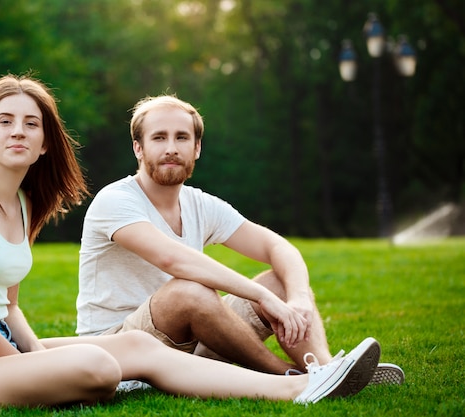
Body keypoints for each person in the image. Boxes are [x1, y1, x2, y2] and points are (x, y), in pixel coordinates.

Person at [0, 75, 381, 409]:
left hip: (3, 340)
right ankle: (300, 380)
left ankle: (305, 385)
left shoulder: (24, 204)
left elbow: (8, 306)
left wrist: (32, 356)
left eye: (31, 124)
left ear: (46, 143)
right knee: (101, 362)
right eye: (6, 122)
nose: (19, 132)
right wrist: (23, 366)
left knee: (142, 347)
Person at [76, 94, 404, 386]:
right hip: (118, 351)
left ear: (197, 148)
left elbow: (277, 247)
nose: (171, 148)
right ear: (138, 147)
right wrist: (262, 297)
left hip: (186, 346)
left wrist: (298, 297)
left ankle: (326, 368)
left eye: (182, 137)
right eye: (159, 138)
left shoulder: (199, 203)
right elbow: (173, 260)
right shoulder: (116, 200)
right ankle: (289, 377)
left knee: (280, 281)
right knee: (189, 290)